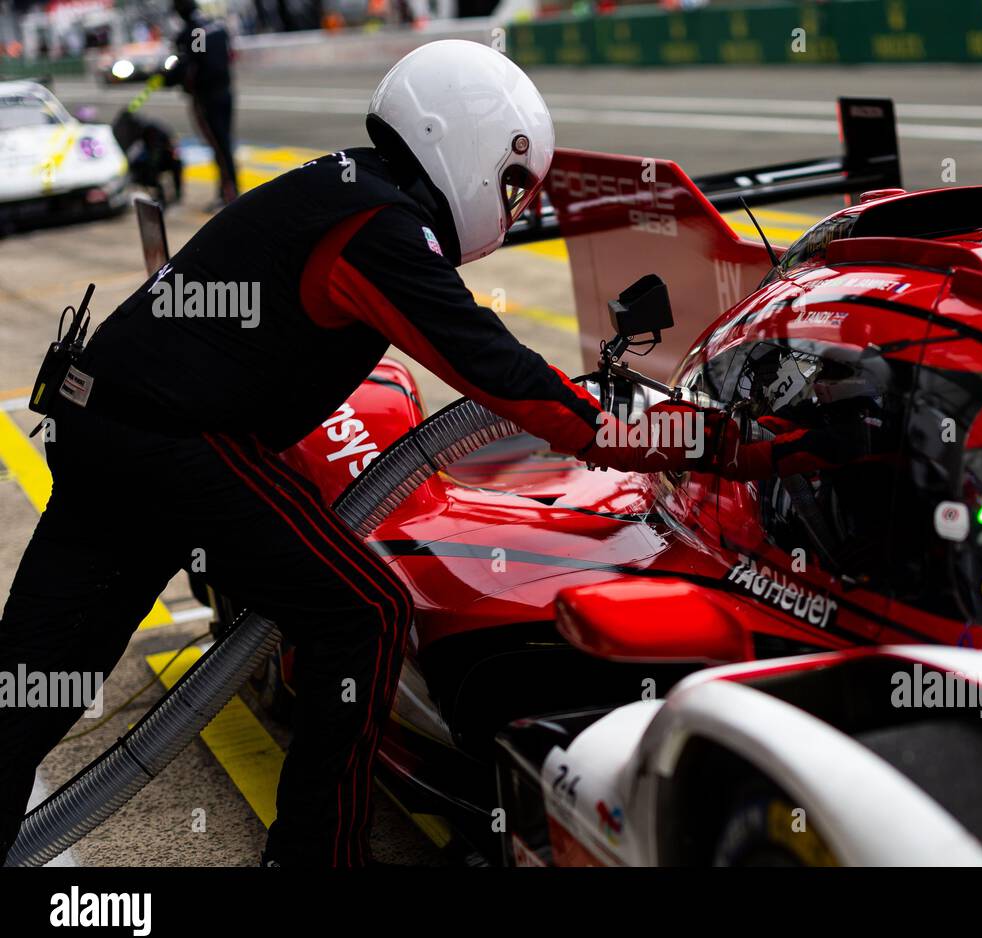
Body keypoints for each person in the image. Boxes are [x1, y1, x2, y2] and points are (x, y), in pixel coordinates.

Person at [0, 40, 726, 868]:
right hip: (167, 442)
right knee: (364, 610)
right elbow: (500, 373)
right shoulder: (378, 225)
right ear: (463, 141)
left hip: (107, 423)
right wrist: (702, 439)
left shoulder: (346, 188)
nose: (513, 203)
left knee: (28, 691)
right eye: (513, 180)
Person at [166, 0, 237, 209]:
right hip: (225, 92)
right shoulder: (217, 26)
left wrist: (168, 78)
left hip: (207, 98)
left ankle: (229, 194)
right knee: (224, 144)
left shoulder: (193, 33)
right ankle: (228, 190)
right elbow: (228, 56)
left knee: (220, 147)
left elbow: (193, 63)